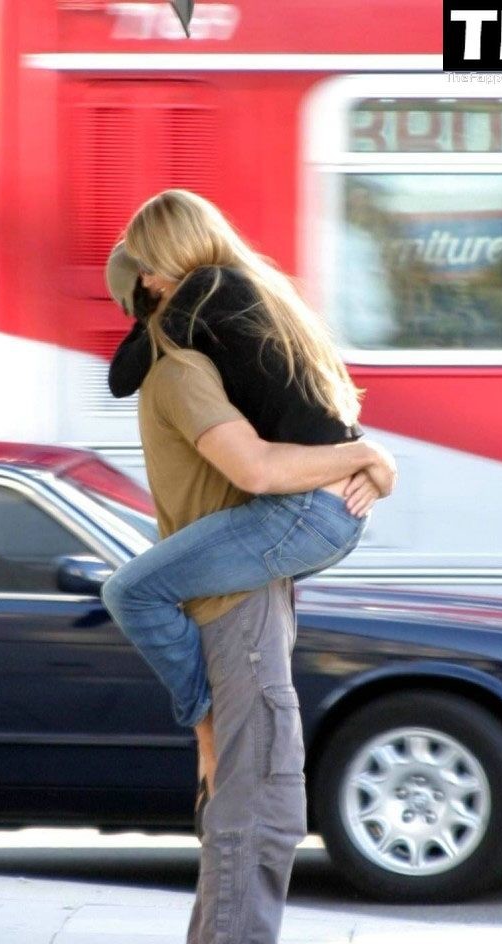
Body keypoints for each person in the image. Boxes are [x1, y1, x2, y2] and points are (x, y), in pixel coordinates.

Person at [100, 217, 392, 944]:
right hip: (237, 611)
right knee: (261, 811)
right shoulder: (185, 369)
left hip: (245, 596)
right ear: (157, 285)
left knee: (247, 804)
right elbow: (259, 470)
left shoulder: (189, 362)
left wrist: (365, 460)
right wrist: (363, 457)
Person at [102, 190, 397, 817]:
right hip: (325, 508)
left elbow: (122, 375)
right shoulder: (246, 288)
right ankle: (212, 730)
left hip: (301, 510)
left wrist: (145, 303)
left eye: (149, 266)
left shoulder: (206, 291)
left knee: (132, 592)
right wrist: (370, 457)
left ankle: (205, 728)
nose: (145, 280)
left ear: (177, 255)